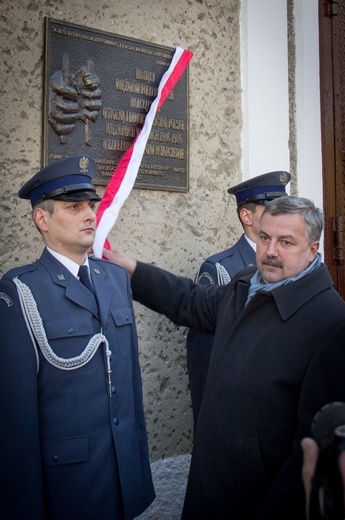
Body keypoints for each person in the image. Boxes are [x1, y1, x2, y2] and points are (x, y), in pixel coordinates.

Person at [103, 196, 345, 519]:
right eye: (264, 238)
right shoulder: (244, 284)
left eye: (286, 242)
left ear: (313, 250)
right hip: (208, 486)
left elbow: (310, 457)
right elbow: (190, 301)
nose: (271, 251)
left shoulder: (330, 323)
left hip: (252, 502)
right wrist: (131, 270)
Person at [0, 155, 155, 519]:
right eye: (74, 207)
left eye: (91, 206)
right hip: (69, 484)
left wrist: (138, 468)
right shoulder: (19, 291)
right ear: (43, 219)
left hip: (122, 474)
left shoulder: (115, 279)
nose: (89, 215)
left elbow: (129, 383)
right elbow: (16, 417)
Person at [187, 170, 291, 427]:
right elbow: (205, 363)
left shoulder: (292, 262)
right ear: (246, 216)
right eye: (273, 209)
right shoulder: (220, 270)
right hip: (241, 416)